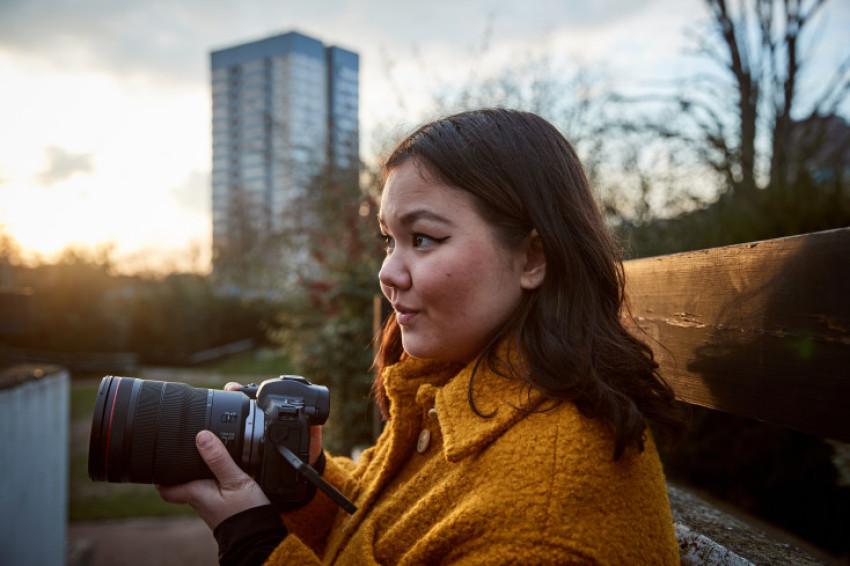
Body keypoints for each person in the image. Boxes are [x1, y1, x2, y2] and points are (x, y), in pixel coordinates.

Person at [158, 108, 685, 565]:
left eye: (424, 239)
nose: (387, 273)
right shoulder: (465, 393)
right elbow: (380, 535)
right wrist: (300, 479)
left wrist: (253, 546)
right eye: (389, 240)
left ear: (532, 257)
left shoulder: (547, 512)